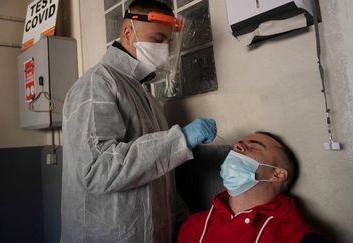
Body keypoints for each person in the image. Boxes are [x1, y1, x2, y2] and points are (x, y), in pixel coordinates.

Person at [60, 0, 217, 242]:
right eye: (157, 39)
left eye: (167, 41)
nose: (164, 48)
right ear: (127, 33)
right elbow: (96, 169)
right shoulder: (97, 85)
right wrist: (180, 140)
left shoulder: (147, 97)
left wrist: (181, 221)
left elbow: (157, 173)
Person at [178, 131, 326, 243]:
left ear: (278, 175)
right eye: (238, 144)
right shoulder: (191, 225)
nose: (237, 146)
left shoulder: (300, 237)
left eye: (253, 147)